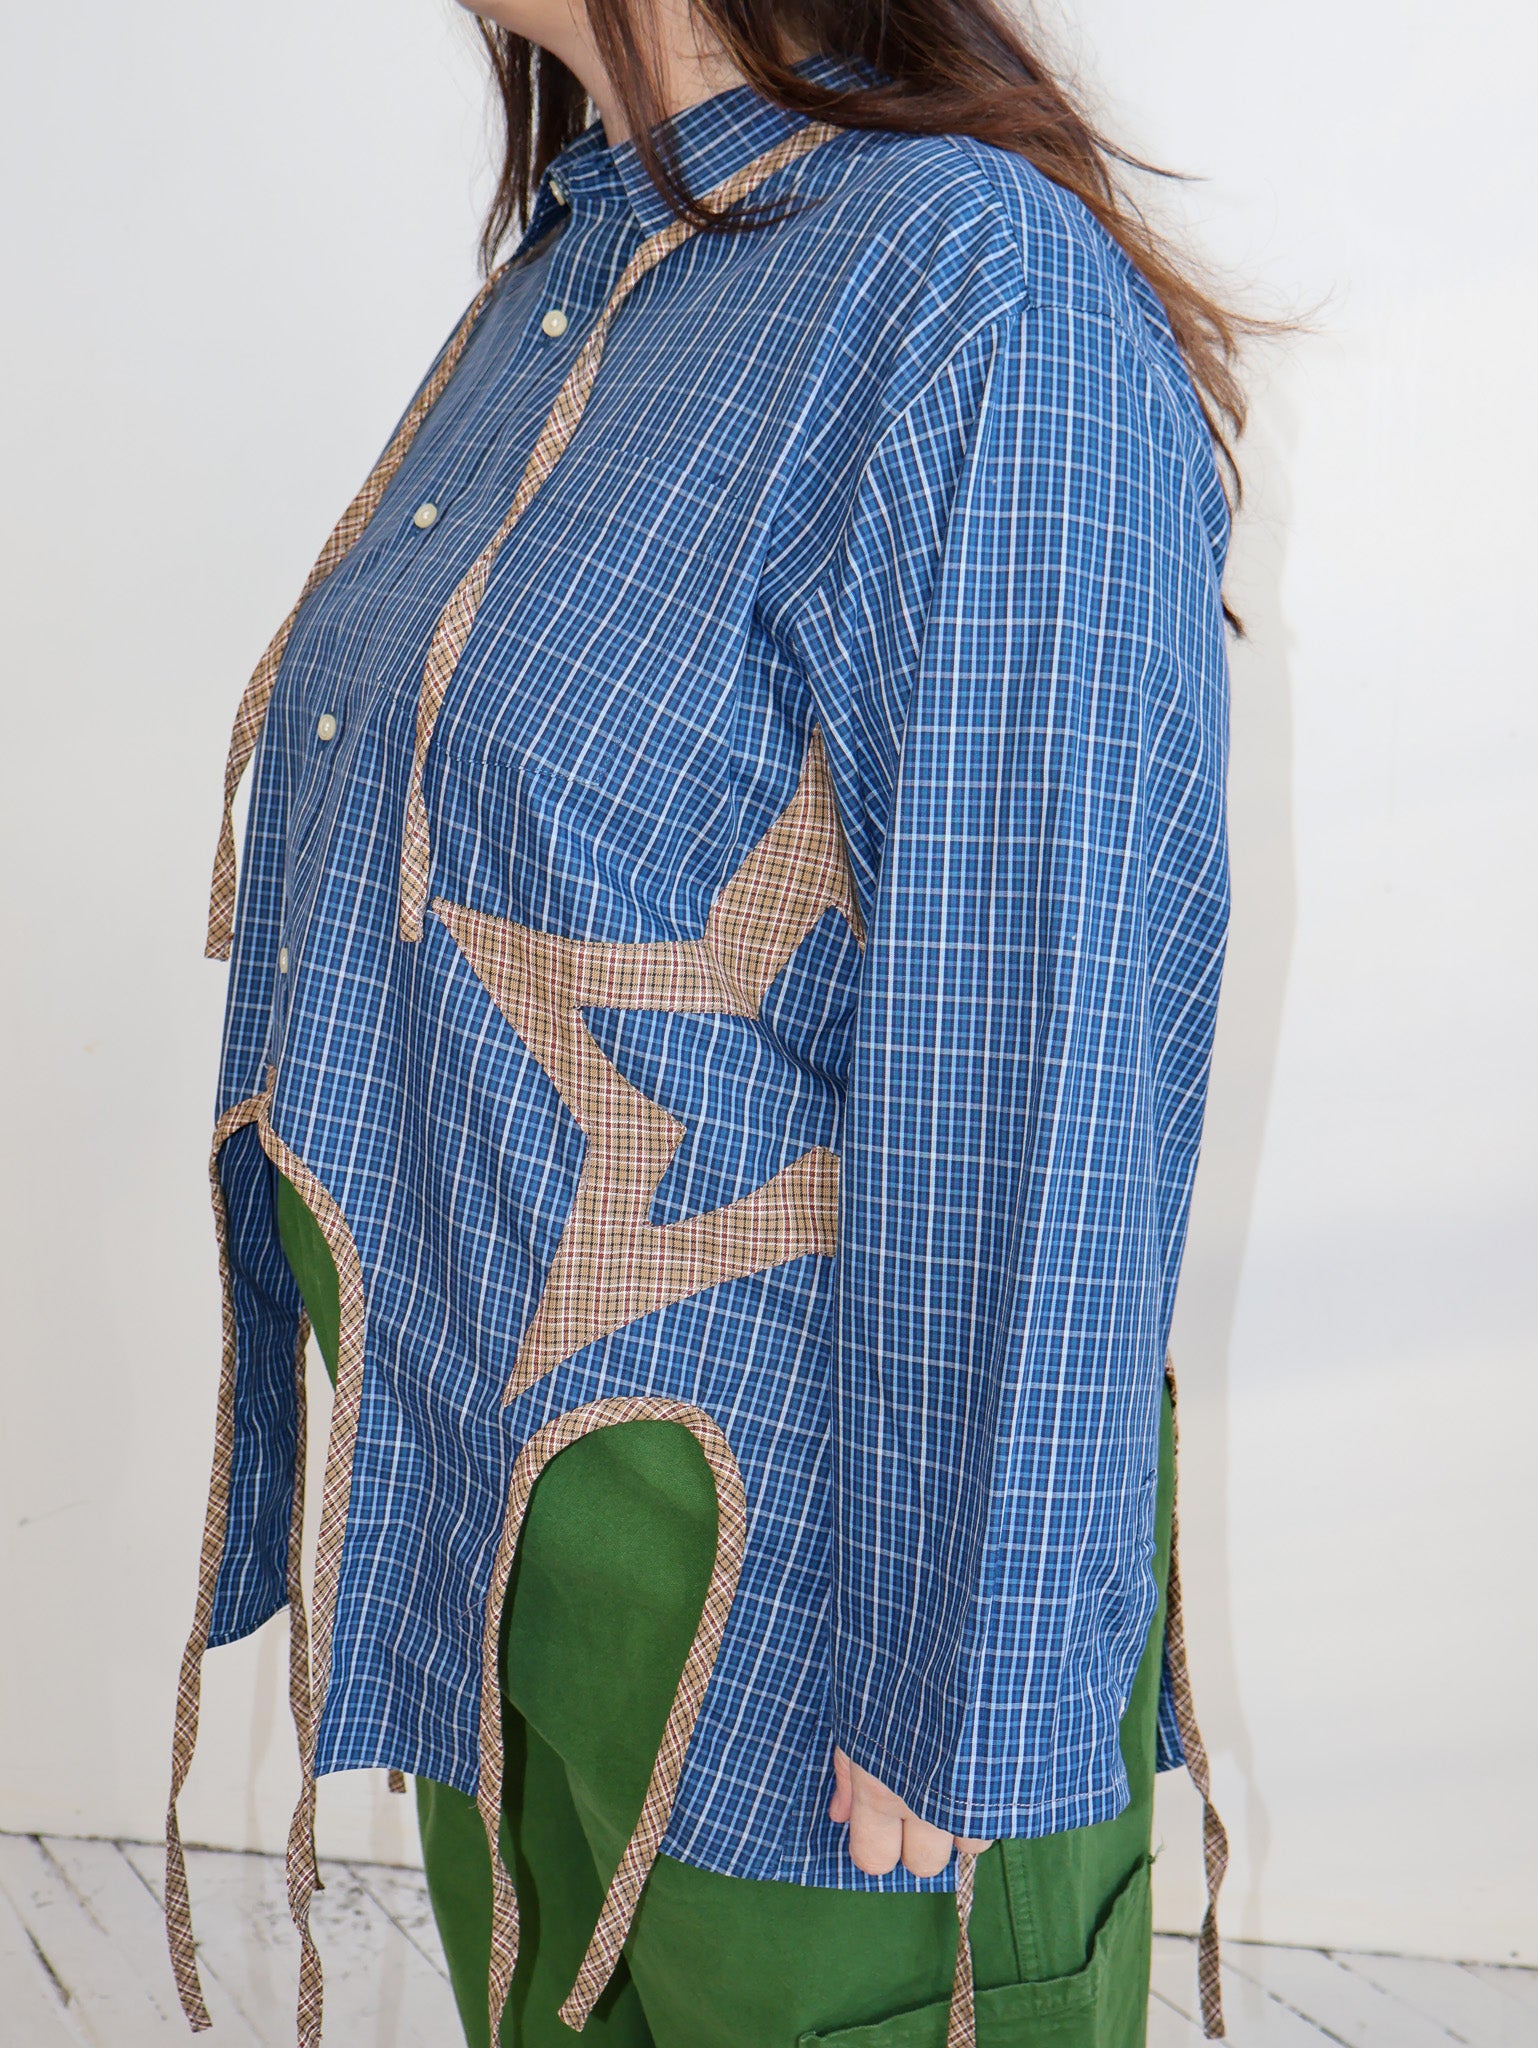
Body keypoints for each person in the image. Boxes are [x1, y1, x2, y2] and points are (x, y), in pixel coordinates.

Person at [164, 2, 1256, 2042]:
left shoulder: (967, 279)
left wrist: (971, 1670)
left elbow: (1043, 1013)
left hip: (821, 1588)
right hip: (513, 1532)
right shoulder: (570, 279)